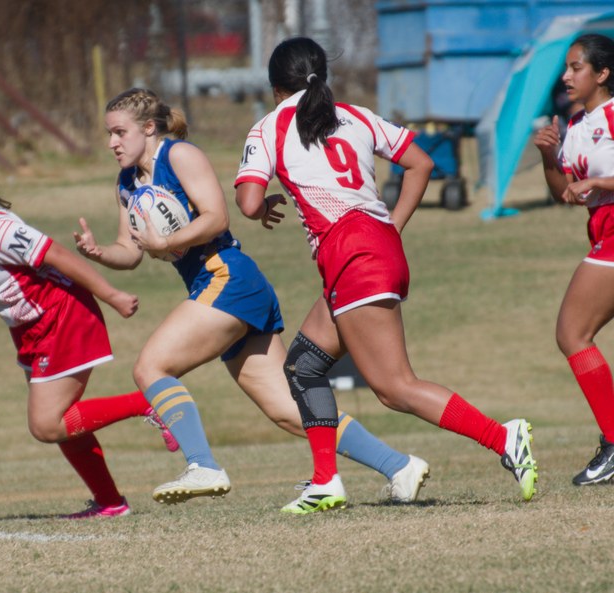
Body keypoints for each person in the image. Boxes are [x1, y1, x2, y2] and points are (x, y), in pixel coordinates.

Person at [75, 87, 432, 507]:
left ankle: (202, 464)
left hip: (228, 277)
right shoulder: (127, 182)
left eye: (119, 132)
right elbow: (132, 250)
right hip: (219, 287)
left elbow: (216, 217)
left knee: (152, 366)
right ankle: (398, 465)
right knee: (289, 409)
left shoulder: (180, 156)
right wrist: (100, 254)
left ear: (148, 128)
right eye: (109, 134)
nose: (112, 143)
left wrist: (167, 240)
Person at [234, 37, 538, 513]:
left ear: (275, 88)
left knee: (394, 387)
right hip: (372, 251)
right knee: (303, 366)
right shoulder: (355, 114)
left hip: (353, 259)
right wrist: (389, 228)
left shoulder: (268, 128)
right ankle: (325, 482)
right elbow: (422, 162)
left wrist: (265, 205)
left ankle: (504, 438)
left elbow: (249, 202)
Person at [0, 157, 179, 520]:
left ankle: (148, 403)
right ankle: (110, 503)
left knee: (46, 425)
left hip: (62, 316)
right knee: (61, 423)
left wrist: (112, 295)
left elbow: (56, 254)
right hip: (31, 329)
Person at [534, 33, 614, 485]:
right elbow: (564, 192)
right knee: (575, 334)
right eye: (566, 68)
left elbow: (593, 186)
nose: (565, 75)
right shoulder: (576, 122)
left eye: (576, 67)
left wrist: (601, 183)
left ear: (602, 74)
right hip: (602, 232)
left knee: (572, 332)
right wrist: (549, 156)